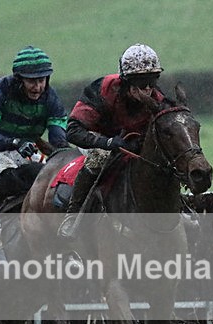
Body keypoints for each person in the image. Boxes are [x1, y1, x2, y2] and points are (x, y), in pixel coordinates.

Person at [0, 46, 69, 254]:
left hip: (26, 149)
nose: (37, 87)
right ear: (19, 79)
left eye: (42, 80)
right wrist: (16, 142)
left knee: (49, 179)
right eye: (31, 81)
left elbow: (58, 138)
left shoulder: (51, 98)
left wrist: (62, 153)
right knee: (11, 178)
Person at [57, 43, 167, 239]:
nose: (148, 89)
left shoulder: (157, 98)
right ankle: (73, 215)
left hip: (129, 141)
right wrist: (107, 143)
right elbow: (73, 131)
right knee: (99, 157)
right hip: (97, 139)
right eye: (142, 84)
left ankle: (179, 207)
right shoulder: (103, 91)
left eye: (152, 82)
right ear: (126, 82)